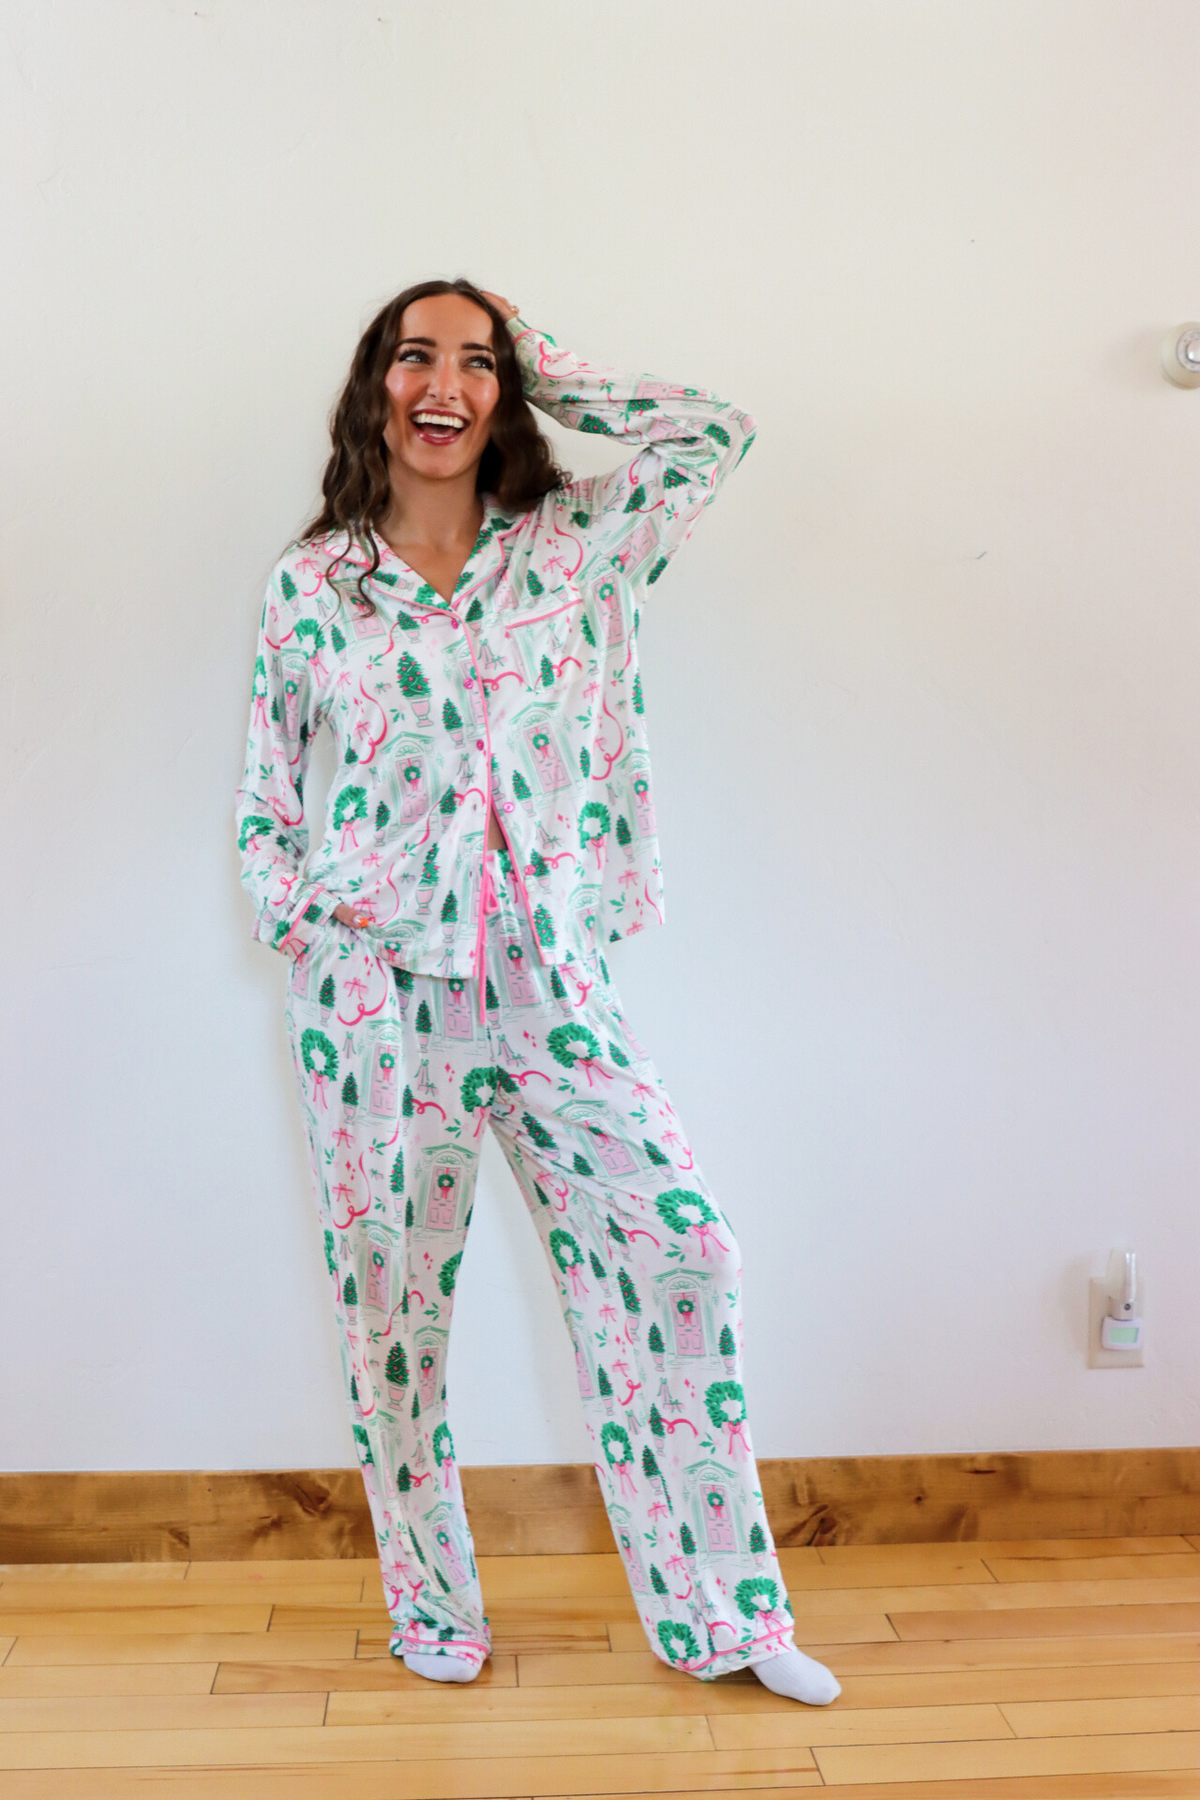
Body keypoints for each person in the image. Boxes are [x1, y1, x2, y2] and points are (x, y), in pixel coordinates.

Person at [234, 278, 840, 1705]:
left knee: (682, 1255)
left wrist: (556, 369)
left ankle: (725, 1616)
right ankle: (432, 1606)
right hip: (376, 999)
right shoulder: (313, 585)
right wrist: (309, 931)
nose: (442, 382)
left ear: (510, 392)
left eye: (478, 362)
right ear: (372, 384)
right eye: (415, 354)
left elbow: (714, 435)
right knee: (395, 1322)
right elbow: (266, 803)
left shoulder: (577, 551)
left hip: (549, 982)